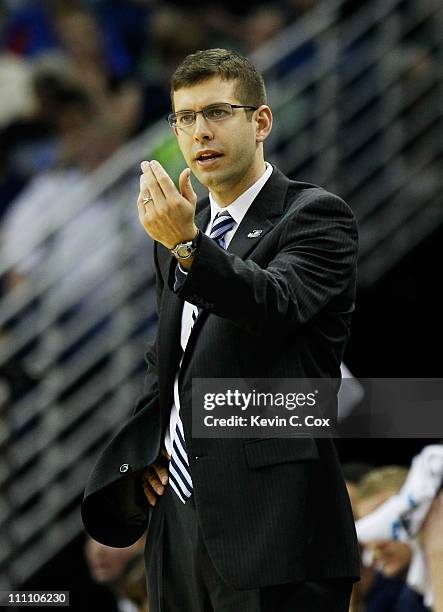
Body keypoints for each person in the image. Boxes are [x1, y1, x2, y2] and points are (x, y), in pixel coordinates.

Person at [82, 47, 360, 612]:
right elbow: (167, 365)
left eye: (216, 112)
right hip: (180, 523)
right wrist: (152, 452)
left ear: (260, 122)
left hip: (277, 525)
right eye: (184, 118)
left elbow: (275, 303)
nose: (198, 132)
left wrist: (188, 247)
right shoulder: (188, 235)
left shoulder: (313, 214)